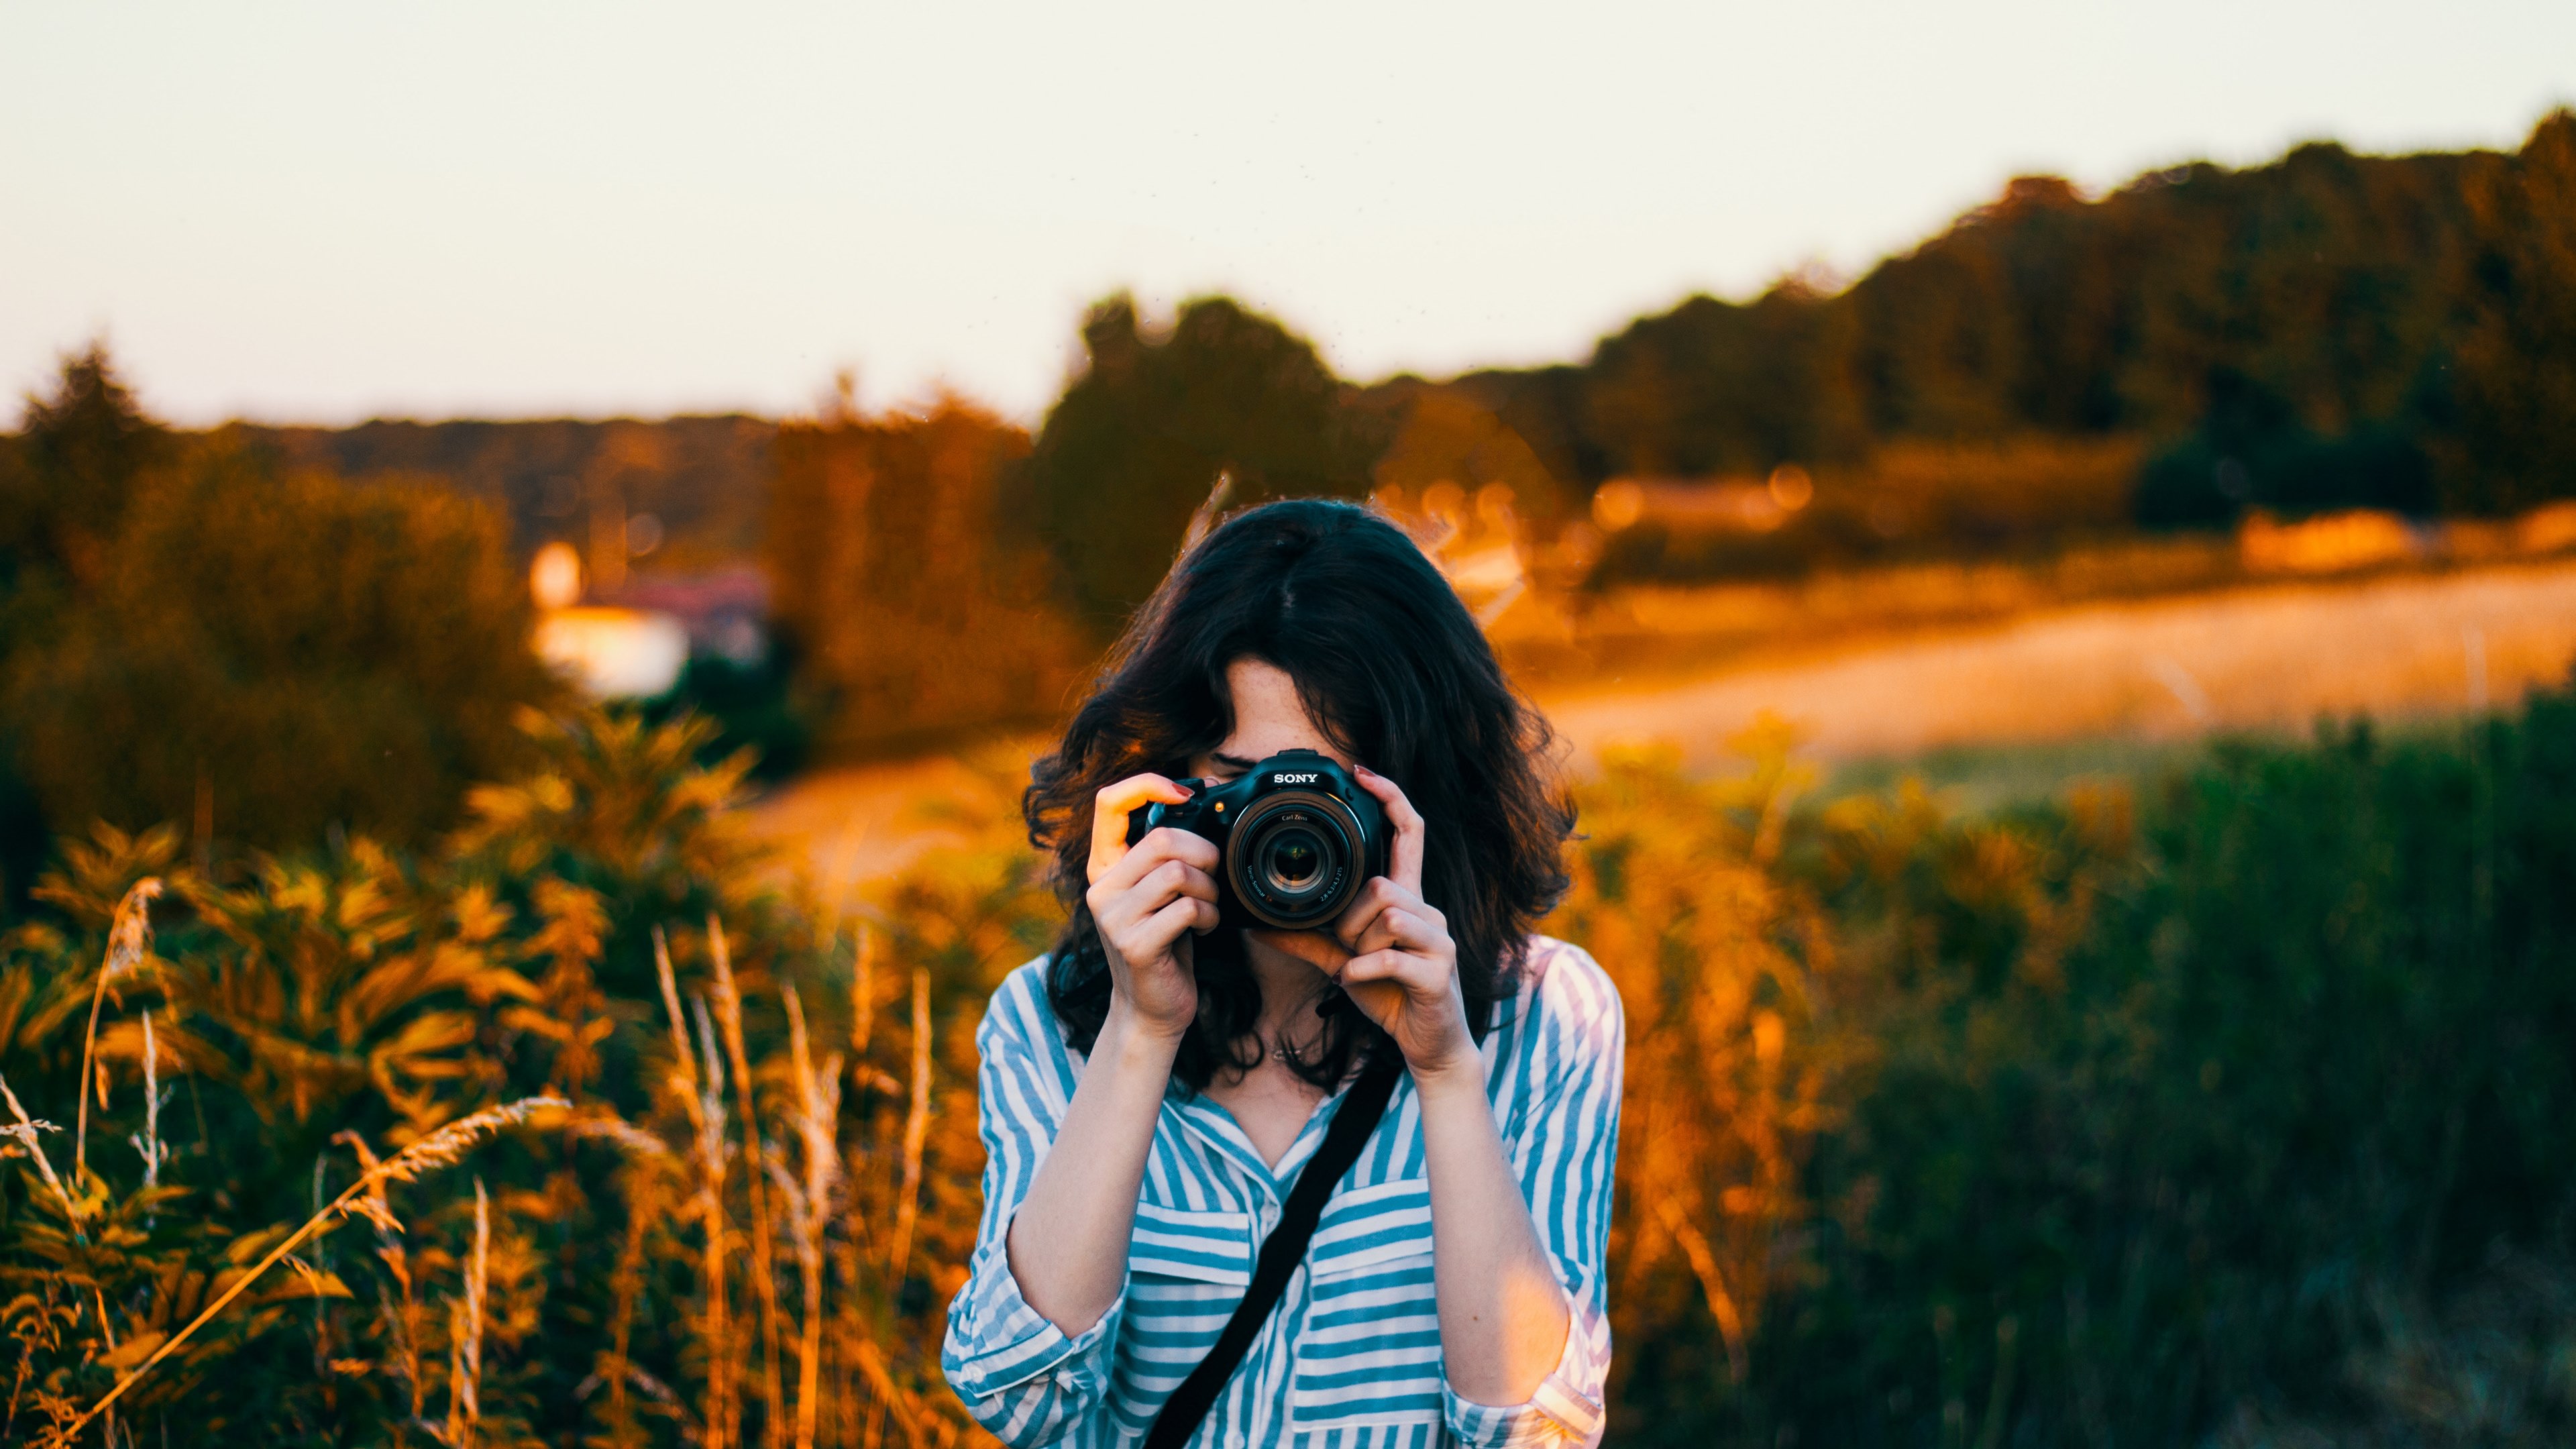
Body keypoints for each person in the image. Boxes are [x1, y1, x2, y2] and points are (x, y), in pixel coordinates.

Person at [943, 498, 1623, 1448]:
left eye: (1333, 788)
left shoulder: (1546, 1017)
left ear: (1424, 792)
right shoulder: (1050, 1026)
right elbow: (1023, 1406)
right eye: (1243, 784)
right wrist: (1140, 1033)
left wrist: (1446, 1072)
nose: (1291, 834)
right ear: (1165, 780)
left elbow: (1535, 1439)